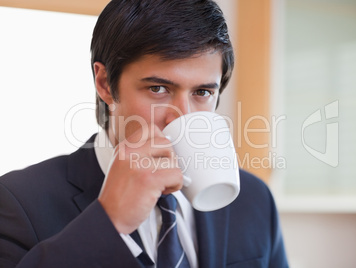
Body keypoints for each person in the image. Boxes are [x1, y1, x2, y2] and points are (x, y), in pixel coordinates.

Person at [0, 0, 289, 267]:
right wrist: (108, 221)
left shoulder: (254, 200)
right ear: (104, 84)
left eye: (202, 92)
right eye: (158, 88)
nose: (183, 116)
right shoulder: (18, 202)